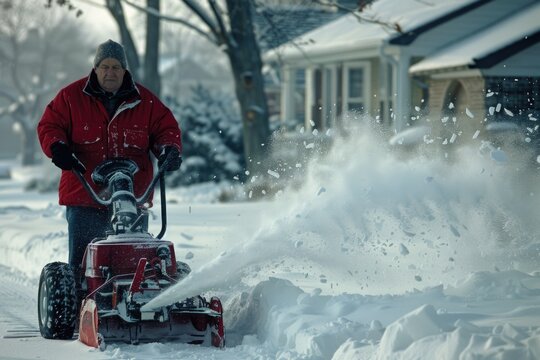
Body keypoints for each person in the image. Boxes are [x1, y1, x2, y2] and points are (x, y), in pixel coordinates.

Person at [37, 39, 182, 277]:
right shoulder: (71, 98)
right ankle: (76, 306)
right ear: (95, 69)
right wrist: (58, 148)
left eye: (116, 67)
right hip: (85, 197)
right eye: (105, 66)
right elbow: (49, 126)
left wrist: (169, 149)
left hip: (132, 198)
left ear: (125, 70)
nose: (110, 72)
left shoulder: (145, 102)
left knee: (133, 263)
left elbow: (166, 129)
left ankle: (134, 302)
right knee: (83, 266)